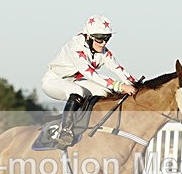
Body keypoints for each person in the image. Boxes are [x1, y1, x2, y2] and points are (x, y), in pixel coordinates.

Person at [41, 15, 138, 149]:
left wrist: (136, 85)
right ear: (88, 37)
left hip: (75, 80)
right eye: (99, 39)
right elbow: (92, 75)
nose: (103, 43)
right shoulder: (75, 48)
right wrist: (120, 85)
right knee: (78, 91)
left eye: (107, 39)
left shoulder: (103, 51)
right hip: (54, 81)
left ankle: (93, 123)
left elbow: (119, 69)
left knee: (106, 91)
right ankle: (65, 131)